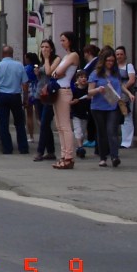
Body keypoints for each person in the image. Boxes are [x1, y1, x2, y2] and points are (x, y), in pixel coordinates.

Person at [0, 45, 29, 155]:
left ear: (2, 54)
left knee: (4, 123)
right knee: (19, 123)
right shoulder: (19, 66)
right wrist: (25, 98)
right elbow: (25, 84)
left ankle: (7, 148)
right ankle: (23, 148)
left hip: (2, 96)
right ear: (12, 54)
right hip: (15, 96)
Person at [88, 48, 123, 168]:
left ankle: (115, 156)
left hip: (112, 106)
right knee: (101, 132)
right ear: (103, 61)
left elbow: (120, 87)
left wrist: (127, 95)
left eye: (112, 61)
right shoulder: (95, 74)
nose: (110, 63)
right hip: (98, 107)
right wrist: (98, 89)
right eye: (108, 60)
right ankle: (103, 157)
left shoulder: (116, 73)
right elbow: (89, 92)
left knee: (111, 131)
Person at [51, 32, 80, 170]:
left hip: (64, 90)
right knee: (60, 126)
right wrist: (56, 72)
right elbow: (53, 72)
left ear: (70, 41)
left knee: (65, 125)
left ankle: (68, 156)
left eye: (64, 40)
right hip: (59, 90)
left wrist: (56, 72)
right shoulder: (66, 56)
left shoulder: (73, 55)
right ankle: (63, 155)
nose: (61, 43)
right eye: (60, 40)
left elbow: (58, 72)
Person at [33, 39, 59, 162]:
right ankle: (51, 151)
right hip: (39, 95)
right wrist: (37, 73)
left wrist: (47, 58)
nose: (44, 49)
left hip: (49, 96)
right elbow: (41, 77)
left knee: (44, 123)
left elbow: (49, 72)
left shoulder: (56, 59)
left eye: (47, 47)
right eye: (42, 47)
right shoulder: (42, 61)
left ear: (51, 49)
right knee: (44, 125)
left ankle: (40, 151)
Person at [115, 46, 136, 148]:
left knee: (127, 117)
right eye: (117, 54)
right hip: (114, 94)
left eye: (121, 54)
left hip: (126, 95)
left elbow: (132, 80)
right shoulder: (113, 66)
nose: (119, 56)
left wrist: (123, 89)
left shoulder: (129, 66)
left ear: (125, 55)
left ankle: (126, 142)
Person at [24, 52, 40, 142]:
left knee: (29, 115)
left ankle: (31, 136)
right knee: (39, 116)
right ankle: (45, 135)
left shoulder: (26, 69)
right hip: (37, 90)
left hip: (29, 91)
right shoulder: (38, 67)